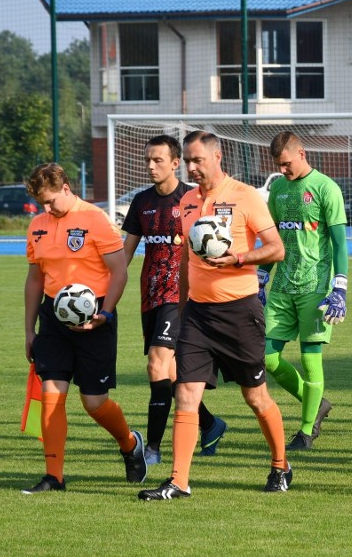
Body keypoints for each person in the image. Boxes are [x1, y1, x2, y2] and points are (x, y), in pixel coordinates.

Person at [138, 131, 289, 500]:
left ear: (217, 157)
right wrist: (185, 305)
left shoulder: (245, 196)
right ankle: (179, 481)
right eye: (188, 161)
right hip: (198, 315)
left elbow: (276, 249)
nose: (192, 168)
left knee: (256, 397)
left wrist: (238, 258)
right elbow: (188, 262)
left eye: (197, 160)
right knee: (186, 393)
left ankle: (280, 465)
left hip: (240, 311)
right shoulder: (188, 201)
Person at [22, 163, 146, 494]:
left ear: (66, 189)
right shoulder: (37, 226)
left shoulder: (95, 220)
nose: (46, 209)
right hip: (53, 318)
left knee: (94, 403)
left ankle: (130, 443)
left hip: (96, 318)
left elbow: (119, 272)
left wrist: (105, 313)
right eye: (41, 204)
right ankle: (54, 476)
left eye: (50, 202)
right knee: (52, 393)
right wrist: (29, 330)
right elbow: (35, 279)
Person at [122, 135, 227, 465]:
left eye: (158, 160)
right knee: (172, 373)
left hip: (181, 296)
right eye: (148, 160)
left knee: (156, 364)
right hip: (150, 295)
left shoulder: (191, 199)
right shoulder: (141, 202)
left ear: (175, 163)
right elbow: (124, 254)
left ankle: (152, 448)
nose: (151, 166)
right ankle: (210, 425)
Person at [257, 131, 348, 451]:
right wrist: (261, 276)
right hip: (283, 287)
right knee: (267, 358)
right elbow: (274, 242)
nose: (282, 170)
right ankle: (316, 401)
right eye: (277, 165)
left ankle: (306, 431)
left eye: (285, 164)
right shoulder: (278, 189)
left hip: (316, 288)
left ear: (301, 154)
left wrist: (340, 286)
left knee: (311, 361)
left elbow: (339, 244)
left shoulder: (326, 188)